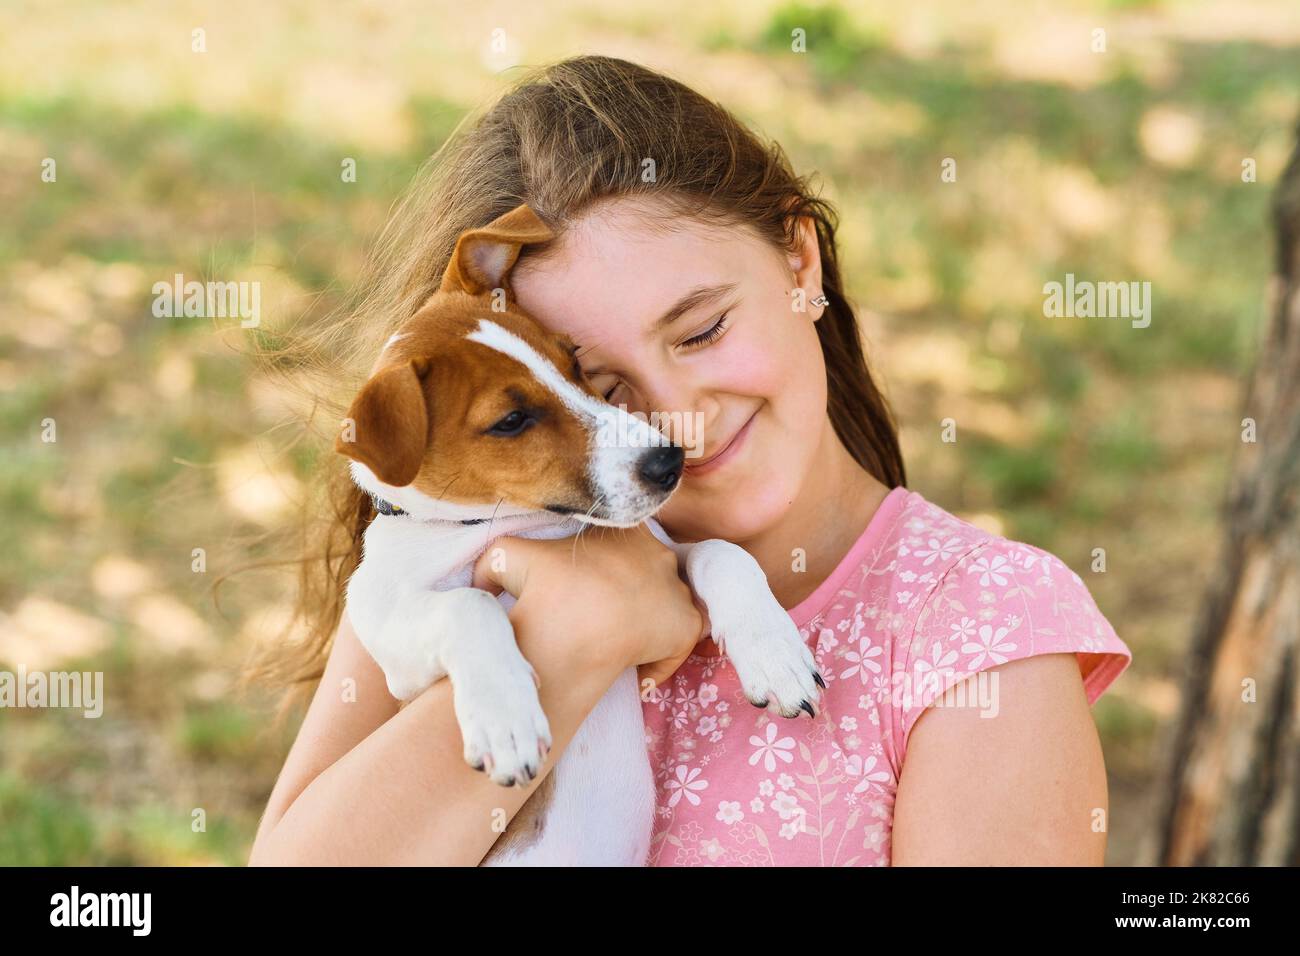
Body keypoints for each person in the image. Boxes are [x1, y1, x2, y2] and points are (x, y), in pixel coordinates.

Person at [247, 55, 1131, 866]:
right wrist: (566, 645)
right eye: (597, 381)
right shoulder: (460, 562)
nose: (676, 419)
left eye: (703, 329)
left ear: (800, 261)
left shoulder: (980, 635)